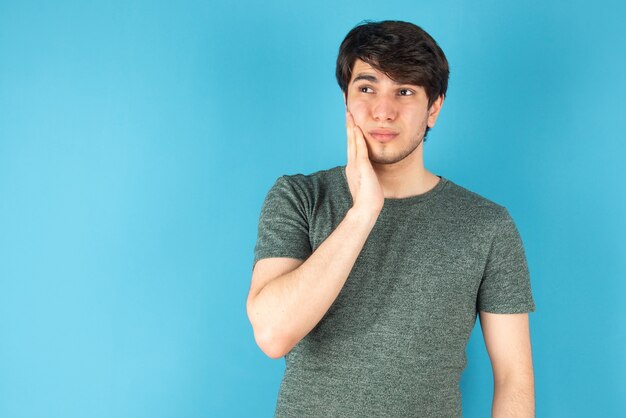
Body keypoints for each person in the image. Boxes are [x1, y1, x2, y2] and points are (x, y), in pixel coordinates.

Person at [246, 20, 537, 418]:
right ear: (346, 101)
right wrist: (363, 213)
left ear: (434, 108)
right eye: (367, 88)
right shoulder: (299, 197)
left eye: (404, 91)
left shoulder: (487, 226)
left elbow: (513, 379)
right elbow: (272, 334)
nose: (383, 111)